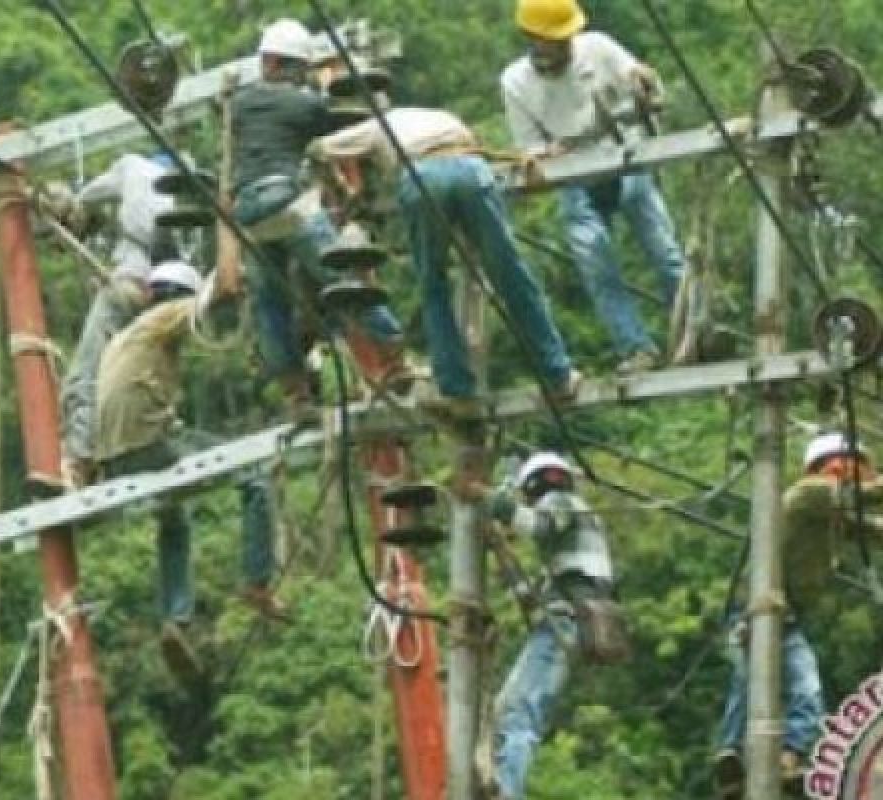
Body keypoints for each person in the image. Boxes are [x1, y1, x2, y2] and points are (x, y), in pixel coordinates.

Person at [308, 106, 581, 414]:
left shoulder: (376, 125)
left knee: (433, 286)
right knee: (511, 275)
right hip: (471, 168)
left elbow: (319, 148)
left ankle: (456, 388)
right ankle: (558, 376)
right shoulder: (441, 117)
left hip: (423, 175)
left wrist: (344, 192)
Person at [93, 253, 287, 681]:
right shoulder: (167, 315)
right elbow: (216, 294)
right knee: (253, 473)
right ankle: (257, 581)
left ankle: (174, 620)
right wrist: (230, 251)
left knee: (174, 522)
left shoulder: (126, 338)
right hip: (147, 446)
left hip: (115, 458)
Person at [232, 18, 407, 419]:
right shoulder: (303, 103)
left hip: (249, 215)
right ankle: (395, 354)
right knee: (344, 282)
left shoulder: (240, 104)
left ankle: (297, 395)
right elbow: (341, 129)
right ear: (287, 66)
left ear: (266, 62)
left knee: (270, 306)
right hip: (288, 203)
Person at [500, 0, 686, 373]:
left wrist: (645, 81)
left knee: (664, 252)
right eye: (556, 39)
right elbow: (528, 145)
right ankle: (636, 349)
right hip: (575, 174)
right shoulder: (516, 82)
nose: (565, 45)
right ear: (534, 39)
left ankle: (691, 329)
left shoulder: (597, 47)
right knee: (596, 264)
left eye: (567, 38)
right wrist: (546, 153)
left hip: (623, 154)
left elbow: (641, 81)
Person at [713, 432, 883, 798]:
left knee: (806, 687)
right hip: (755, 608)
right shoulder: (811, 492)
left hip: (786, 617)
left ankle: (789, 756)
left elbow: (871, 528)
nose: (864, 475)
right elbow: (866, 497)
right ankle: (732, 757)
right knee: (750, 682)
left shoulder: (827, 515)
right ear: (834, 464)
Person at [477, 451, 622, 799]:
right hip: (569, 623)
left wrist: (487, 499)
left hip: (566, 623)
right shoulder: (572, 554)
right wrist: (500, 549)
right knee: (508, 709)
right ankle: (498, 781)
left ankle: (507, 791)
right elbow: (530, 599)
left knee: (517, 713)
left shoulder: (564, 503)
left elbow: (538, 524)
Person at [48, 152, 178, 486]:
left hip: (127, 289)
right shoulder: (180, 206)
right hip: (160, 299)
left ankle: (80, 460)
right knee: (136, 376)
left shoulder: (135, 167)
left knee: (84, 376)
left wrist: (73, 203)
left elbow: (92, 195)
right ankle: (147, 435)